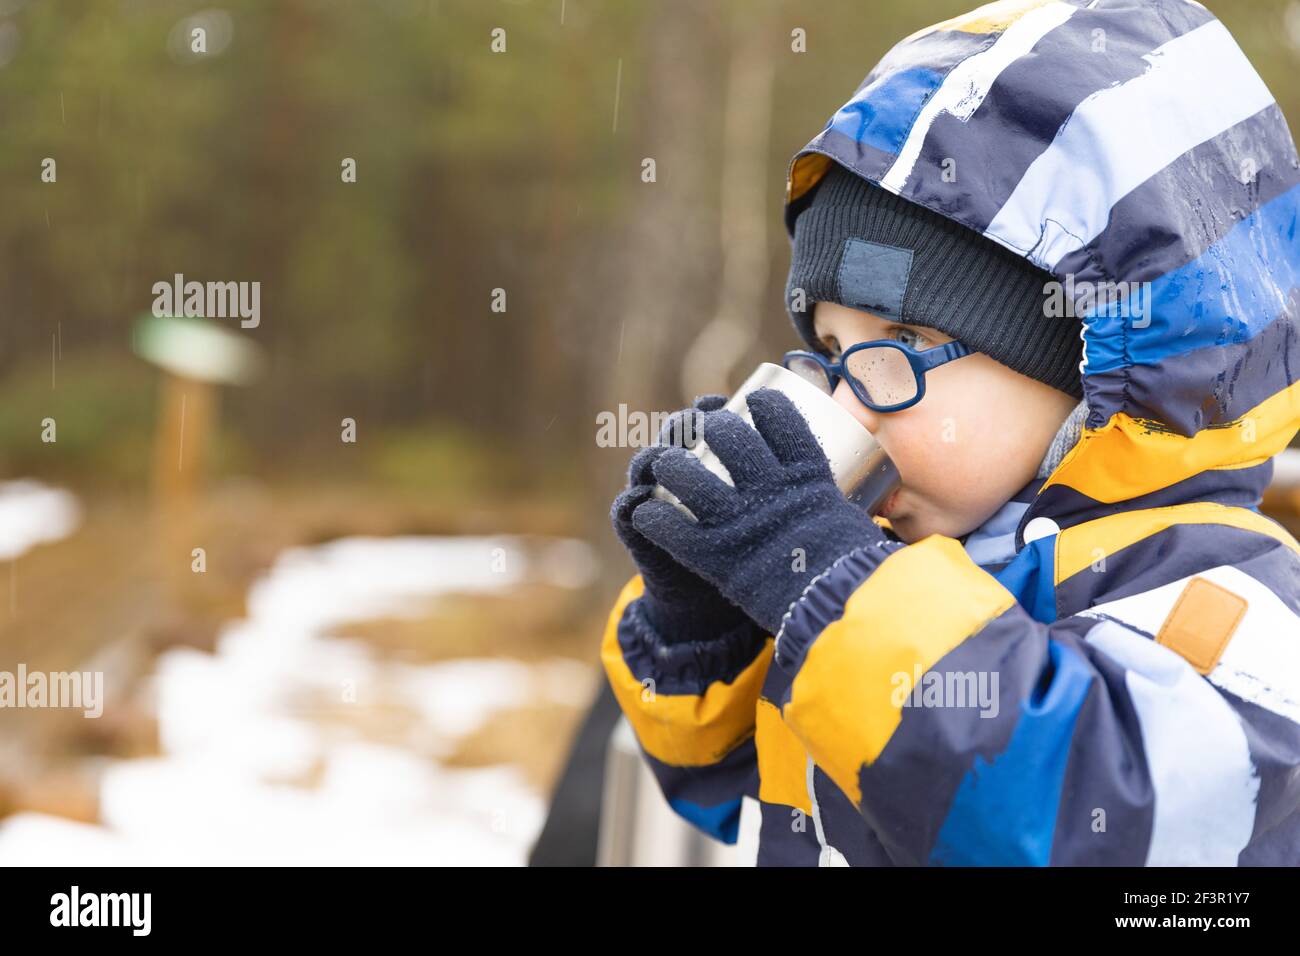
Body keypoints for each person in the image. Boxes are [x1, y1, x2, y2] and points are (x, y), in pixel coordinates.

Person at [601, 0, 1300, 865]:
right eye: (830, 349)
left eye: (904, 345)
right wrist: (704, 627)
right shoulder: (888, 563)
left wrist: (832, 589)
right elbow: (718, 785)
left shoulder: (1232, 607)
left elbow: (1088, 819)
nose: (851, 407)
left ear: (1093, 368)